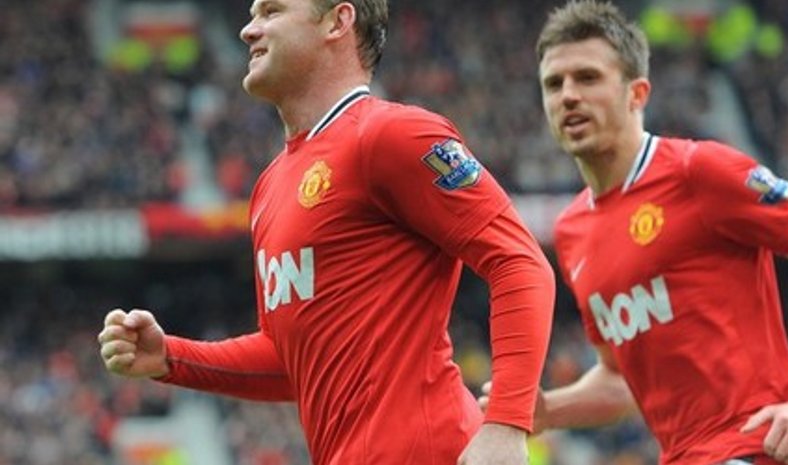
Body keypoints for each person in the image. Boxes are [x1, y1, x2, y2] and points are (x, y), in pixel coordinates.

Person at [97, 1, 555, 464]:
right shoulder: (270, 186)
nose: (248, 30)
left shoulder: (394, 133)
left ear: (338, 21)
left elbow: (518, 260)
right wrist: (170, 358)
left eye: (271, 11)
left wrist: (506, 424)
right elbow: (290, 360)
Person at [481, 1, 788, 464]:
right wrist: (548, 410)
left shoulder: (699, 171)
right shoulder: (573, 231)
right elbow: (621, 380)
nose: (568, 95)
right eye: (554, 84)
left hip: (756, 448)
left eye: (588, 78)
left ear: (637, 94)